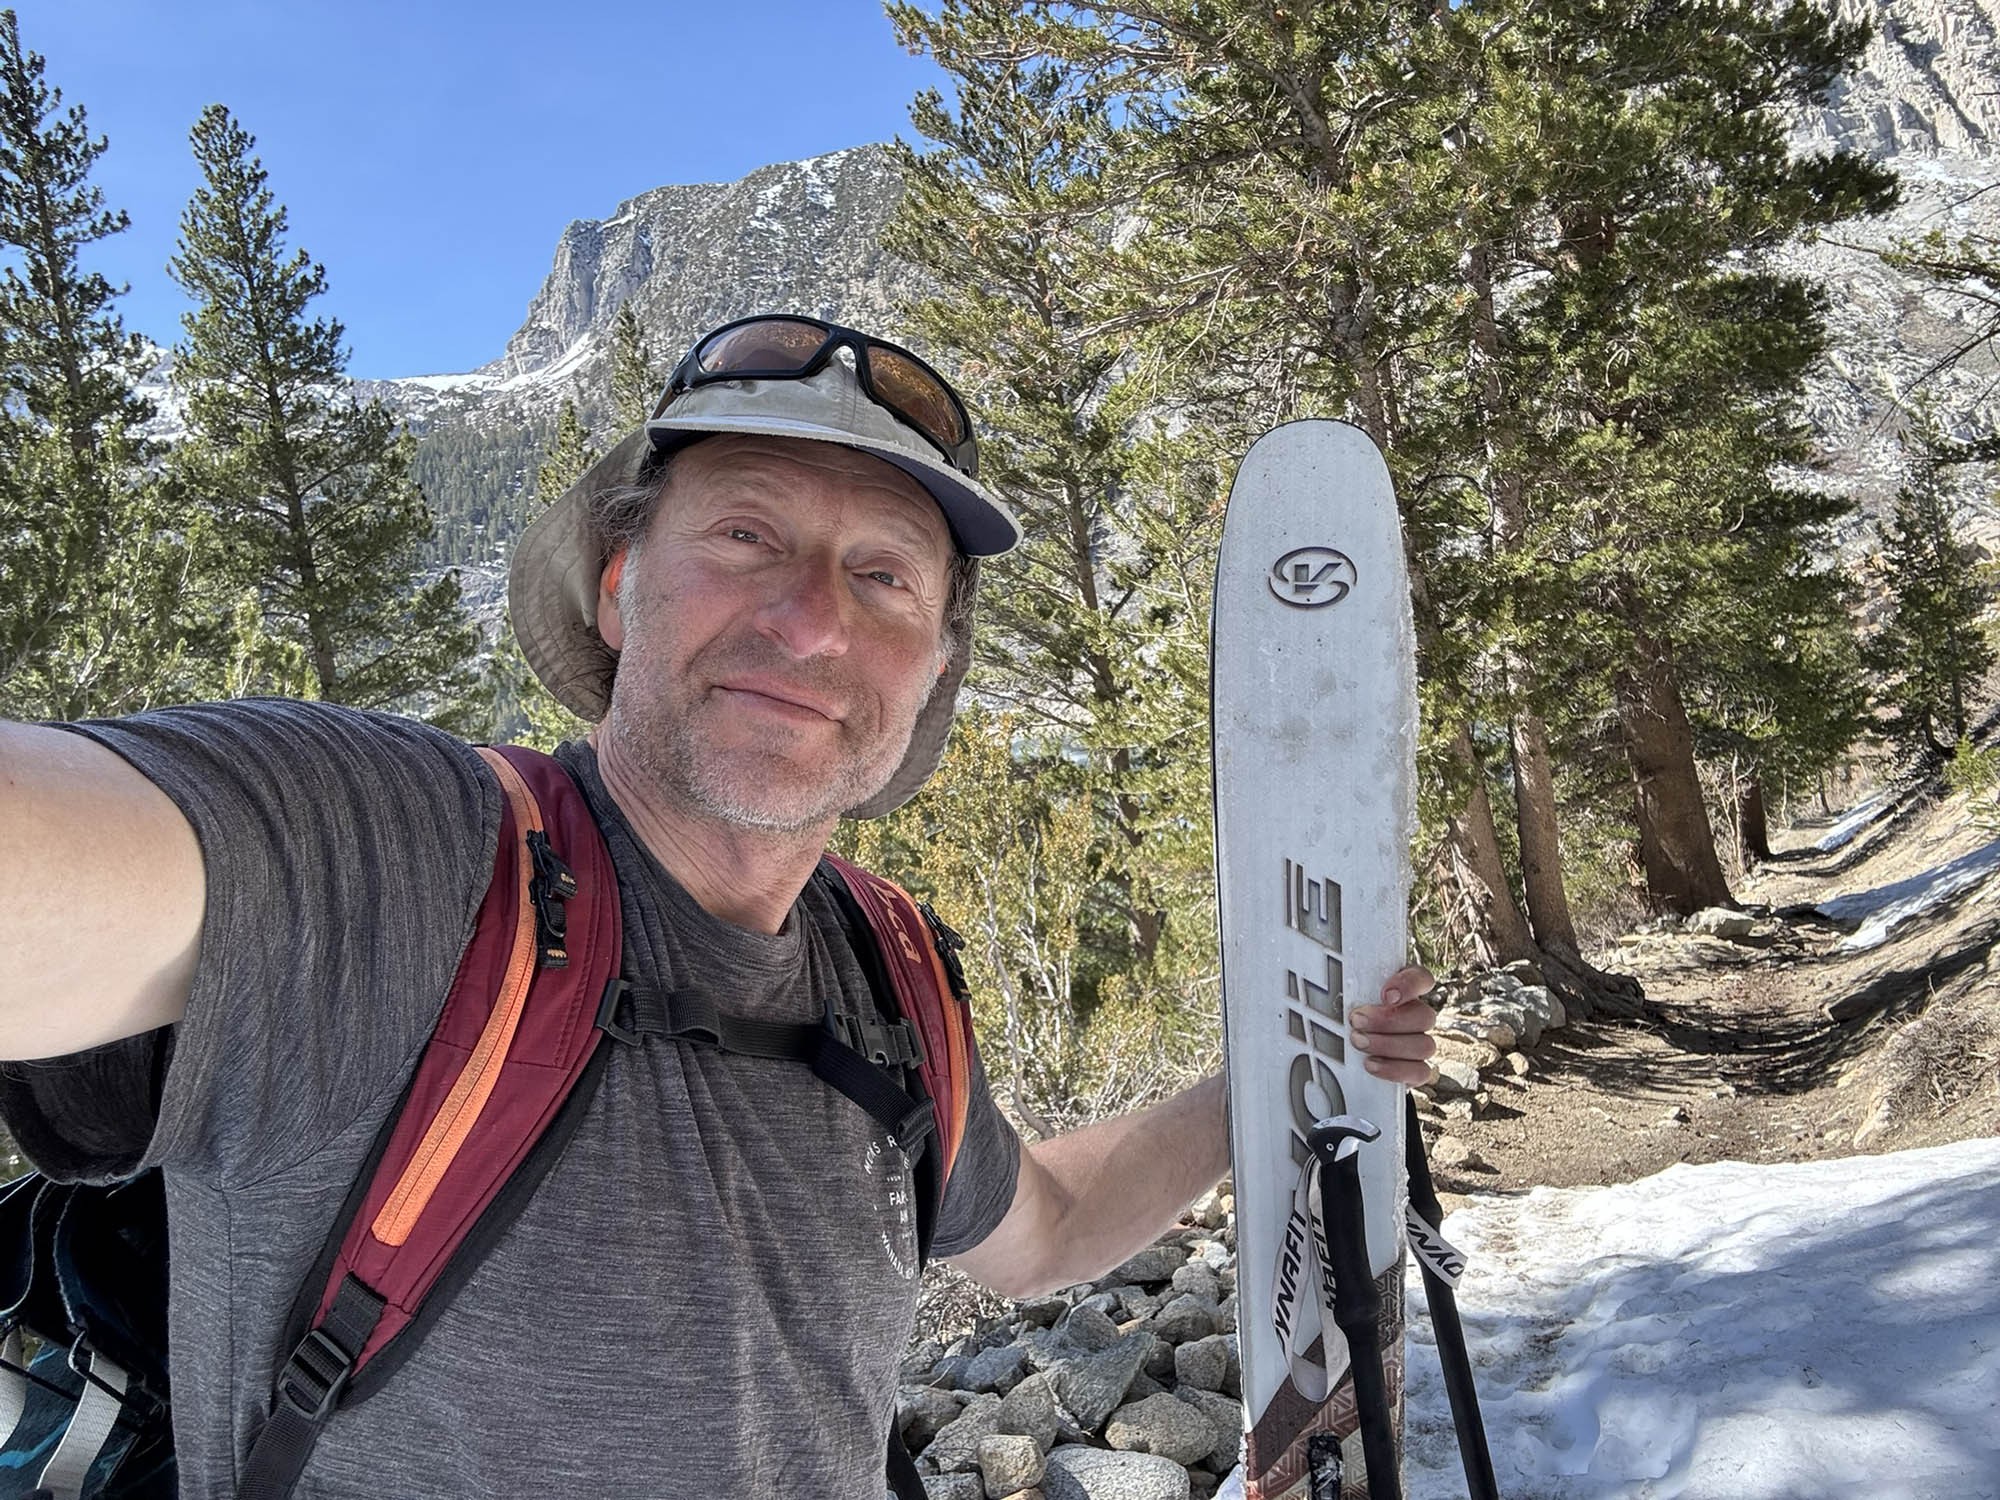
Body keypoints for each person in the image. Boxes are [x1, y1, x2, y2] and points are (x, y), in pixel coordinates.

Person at [0, 314, 1437, 1497]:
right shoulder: (405, 859)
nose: (812, 622)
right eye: (747, 535)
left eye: (884, 576)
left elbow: (1046, 1229)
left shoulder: (887, 976)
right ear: (618, 586)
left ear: (933, 667)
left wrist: (1279, 1066)